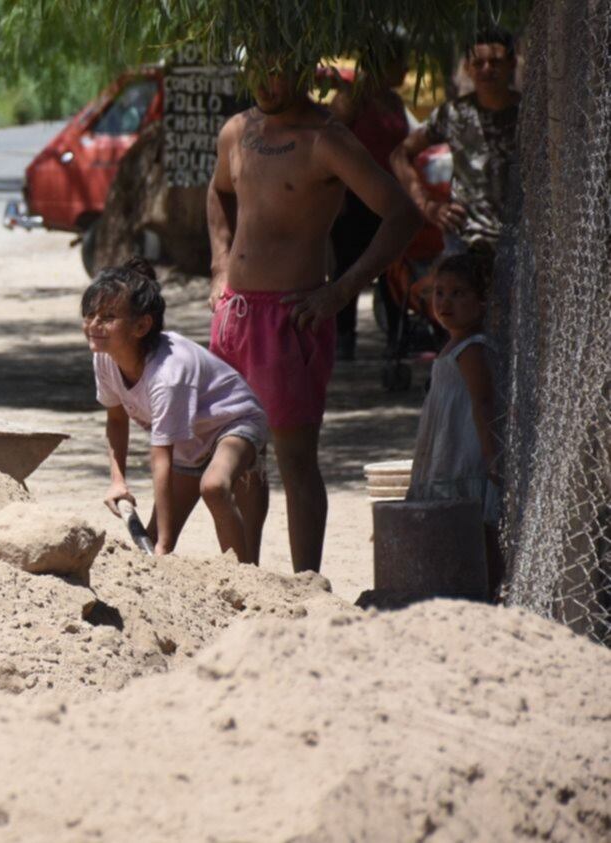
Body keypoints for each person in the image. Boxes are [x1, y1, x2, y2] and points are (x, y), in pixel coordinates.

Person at [207, 53, 422, 573]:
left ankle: (307, 584)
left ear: (303, 71)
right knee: (242, 457)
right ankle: (246, 580)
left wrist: (342, 290)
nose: (264, 78)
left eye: (274, 67)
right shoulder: (237, 130)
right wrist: (218, 266)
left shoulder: (325, 139)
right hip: (234, 317)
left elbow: (402, 215)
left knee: (294, 462)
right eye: (256, 69)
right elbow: (218, 192)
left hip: (291, 319)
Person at [87, 258, 270, 564]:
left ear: (141, 326)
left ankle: (244, 582)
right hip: (188, 440)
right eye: (90, 314)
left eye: (107, 317)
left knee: (213, 487)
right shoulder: (106, 357)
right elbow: (116, 421)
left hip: (233, 422)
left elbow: (161, 459)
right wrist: (118, 481)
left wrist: (166, 544)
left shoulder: (168, 375)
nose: (94, 325)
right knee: (155, 538)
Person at [406, 253, 504, 599]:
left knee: (479, 525)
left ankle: (490, 589)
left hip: (468, 454)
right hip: (449, 450)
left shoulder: (473, 347)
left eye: (459, 293)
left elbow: (482, 401)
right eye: (440, 292)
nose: (446, 302)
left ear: (482, 300)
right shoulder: (452, 343)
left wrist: (491, 453)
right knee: (458, 524)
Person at [391, 27, 520, 257]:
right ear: (467, 68)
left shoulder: (531, 116)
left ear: (512, 64)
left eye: (495, 61)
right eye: (478, 63)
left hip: (521, 245)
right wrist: (427, 206)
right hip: (464, 243)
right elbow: (399, 155)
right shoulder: (453, 114)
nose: (487, 69)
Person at [327, 36, 413, 360]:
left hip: (390, 202)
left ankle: (397, 337)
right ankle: (344, 338)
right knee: (349, 266)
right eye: (399, 62)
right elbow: (330, 144)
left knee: (393, 269)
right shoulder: (352, 98)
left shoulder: (393, 101)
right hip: (355, 200)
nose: (405, 69)